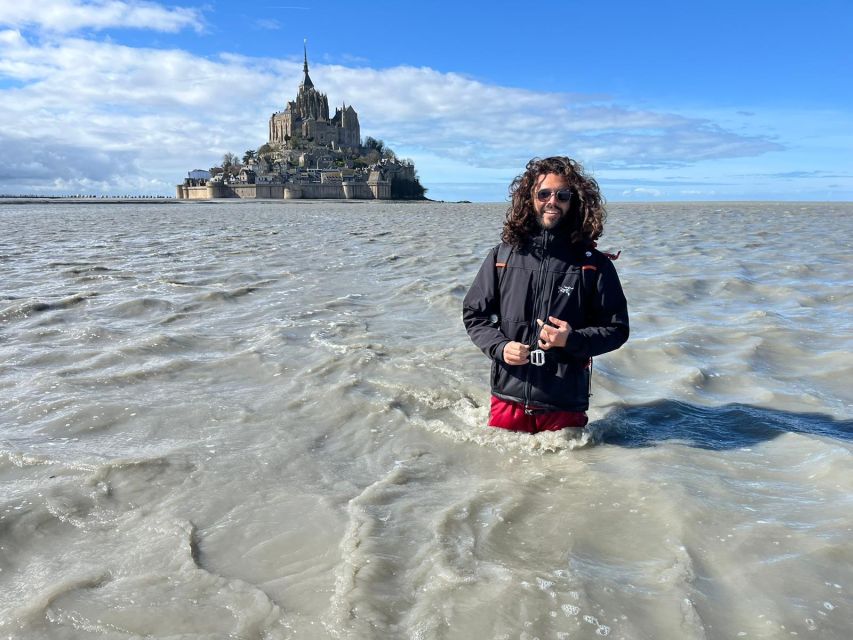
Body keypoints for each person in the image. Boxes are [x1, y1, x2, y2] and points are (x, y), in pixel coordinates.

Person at [462, 156, 629, 433]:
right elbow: (474, 315)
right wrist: (501, 348)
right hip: (507, 397)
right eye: (544, 193)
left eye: (562, 194)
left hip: (564, 403)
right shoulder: (501, 256)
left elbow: (617, 329)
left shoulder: (594, 265)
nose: (553, 201)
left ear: (574, 200)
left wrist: (571, 339)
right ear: (529, 199)